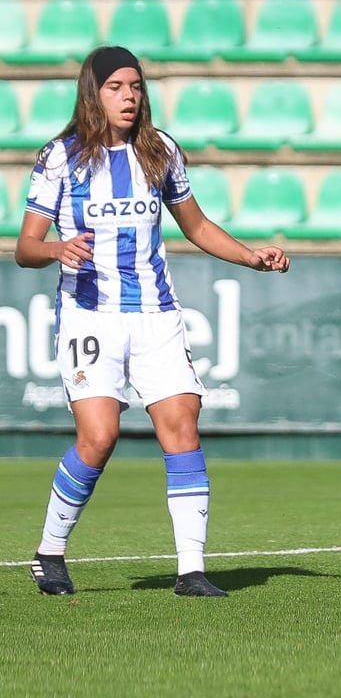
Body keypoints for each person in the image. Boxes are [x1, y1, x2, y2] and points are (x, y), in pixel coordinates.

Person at [15, 46, 291, 597]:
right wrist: (57, 250)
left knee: (182, 424)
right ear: (93, 93)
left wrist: (250, 256)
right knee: (99, 437)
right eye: (115, 87)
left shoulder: (160, 150)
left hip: (156, 314)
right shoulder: (60, 157)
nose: (129, 97)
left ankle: (191, 571)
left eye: (136, 86)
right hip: (90, 315)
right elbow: (25, 247)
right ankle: (49, 553)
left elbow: (197, 225)